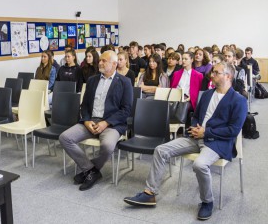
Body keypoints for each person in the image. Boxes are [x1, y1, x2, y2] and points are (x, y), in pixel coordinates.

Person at [123, 61, 247, 221]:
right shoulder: (208, 94)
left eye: (216, 72)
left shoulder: (238, 100)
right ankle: (149, 193)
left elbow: (233, 130)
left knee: (200, 164)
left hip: (216, 142)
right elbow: (195, 116)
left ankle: (207, 201)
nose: (212, 74)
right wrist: (195, 128)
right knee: (161, 150)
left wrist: (206, 131)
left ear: (228, 76)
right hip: (196, 137)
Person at [59, 51, 133, 191]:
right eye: (100, 60)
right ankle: (91, 170)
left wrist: (106, 123)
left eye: (104, 61)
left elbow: (126, 109)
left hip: (111, 124)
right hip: (90, 121)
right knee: (65, 138)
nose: (100, 63)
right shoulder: (92, 80)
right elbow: (85, 105)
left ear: (114, 64)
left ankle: (90, 171)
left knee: (107, 146)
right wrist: (86, 121)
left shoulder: (125, 82)